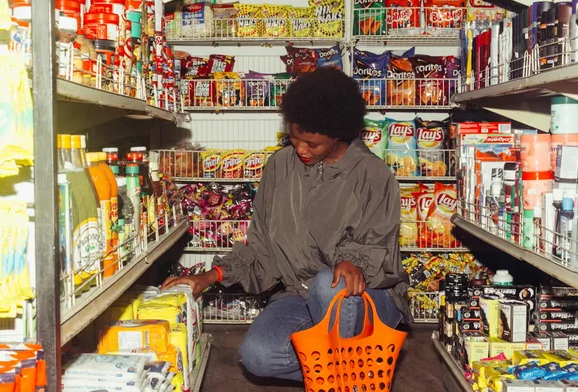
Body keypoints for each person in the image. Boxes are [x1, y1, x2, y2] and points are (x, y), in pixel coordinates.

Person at [162, 67, 409, 381]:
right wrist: (207, 277)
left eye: (312, 144)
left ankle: (346, 377)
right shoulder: (279, 166)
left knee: (329, 284)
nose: (301, 150)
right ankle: (351, 376)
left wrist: (353, 261)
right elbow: (261, 247)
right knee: (258, 356)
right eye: (295, 138)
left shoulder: (372, 174)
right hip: (300, 294)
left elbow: (376, 244)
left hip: (366, 298)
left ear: (338, 134)